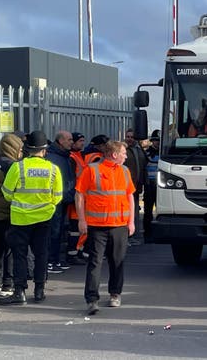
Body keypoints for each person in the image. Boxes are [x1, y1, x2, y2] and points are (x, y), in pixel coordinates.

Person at [0, 130, 63, 305]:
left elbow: (6, 193)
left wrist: (21, 201)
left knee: (20, 255)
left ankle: (19, 292)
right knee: (41, 254)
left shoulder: (17, 167)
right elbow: (57, 197)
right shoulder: (53, 169)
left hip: (20, 219)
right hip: (43, 219)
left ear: (27, 149)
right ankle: (39, 291)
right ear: (44, 150)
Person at [76, 140, 135, 315]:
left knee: (117, 262)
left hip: (119, 226)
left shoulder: (124, 171)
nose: (126, 156)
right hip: (97, 226)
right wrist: (81, 220)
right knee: (95, 262)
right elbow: (79, 194)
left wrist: (131, 222)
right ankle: (92, 299)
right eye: (124, 153)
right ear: (114, 155)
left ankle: (115, 294)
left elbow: (130, 196)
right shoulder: (92, 170)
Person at [0, 134, 23, 296]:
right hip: (10, 212)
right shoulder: (12, 166)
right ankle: (7, 284)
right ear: (13, 148)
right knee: (10, 250)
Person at [45, 130, 75, 274]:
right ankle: (50, 261)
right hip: (54, 201)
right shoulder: (53, 158)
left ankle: (55, 259)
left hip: (63, 199)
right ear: (60, 141)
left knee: (59, 231)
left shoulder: (64, 157)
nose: (71, 142)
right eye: (69, 139)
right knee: (53, 232)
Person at [66, 132, 87, 265]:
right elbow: (73, 179)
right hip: (76, 198)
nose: (82, 143)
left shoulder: (79, 156)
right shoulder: (72, 157)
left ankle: (77, 252)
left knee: (79, 230)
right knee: (74, 230)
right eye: (80, 141)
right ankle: (72, 254)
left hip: (81, 197)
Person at [124, 129, 147, 244]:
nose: (129, 139)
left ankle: (133, 235)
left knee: (134, 212)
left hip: (137, 186)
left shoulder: (139, 150)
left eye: (132, 137)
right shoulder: (123, 151)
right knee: (127, 212)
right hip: (126, 187)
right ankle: (127, 237)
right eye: (128, 136)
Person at [143, 129, 160, 242]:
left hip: (160, 186)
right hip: (150, 186)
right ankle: (148, 234)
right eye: (155, 140)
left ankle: (158, 233)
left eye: (159, 140)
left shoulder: (165, 153)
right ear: (152, 141)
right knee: (148, 212)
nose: (158, 143)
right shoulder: (146, 153)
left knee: (160, 211)